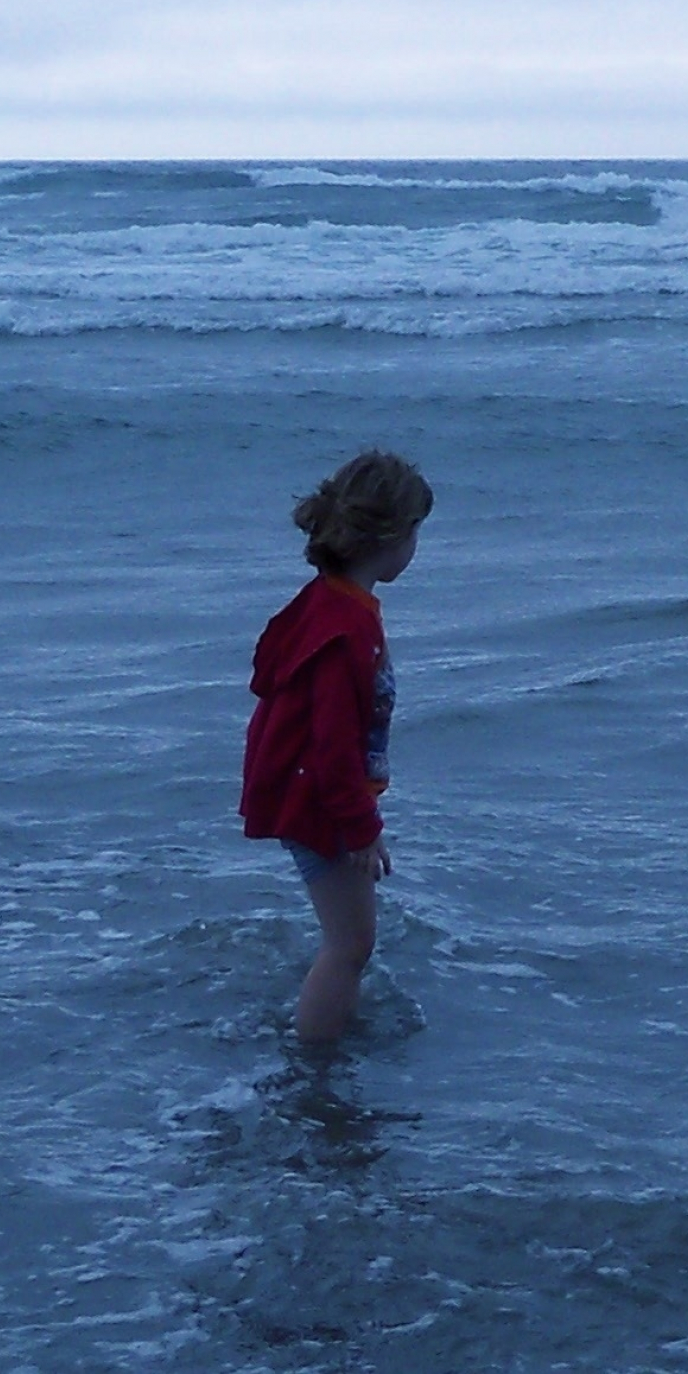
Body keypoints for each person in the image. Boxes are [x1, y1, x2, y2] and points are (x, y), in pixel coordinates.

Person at [242, 448, 431, 1052]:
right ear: (393, 536)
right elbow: (331, 745)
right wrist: (361, 826)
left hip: (311, 792)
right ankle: (316, 1068)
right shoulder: (346, 627)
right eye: (418, 531)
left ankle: (321, 1042)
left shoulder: (327, 601)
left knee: (348, 939)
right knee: (351, 945)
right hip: (318, 801)